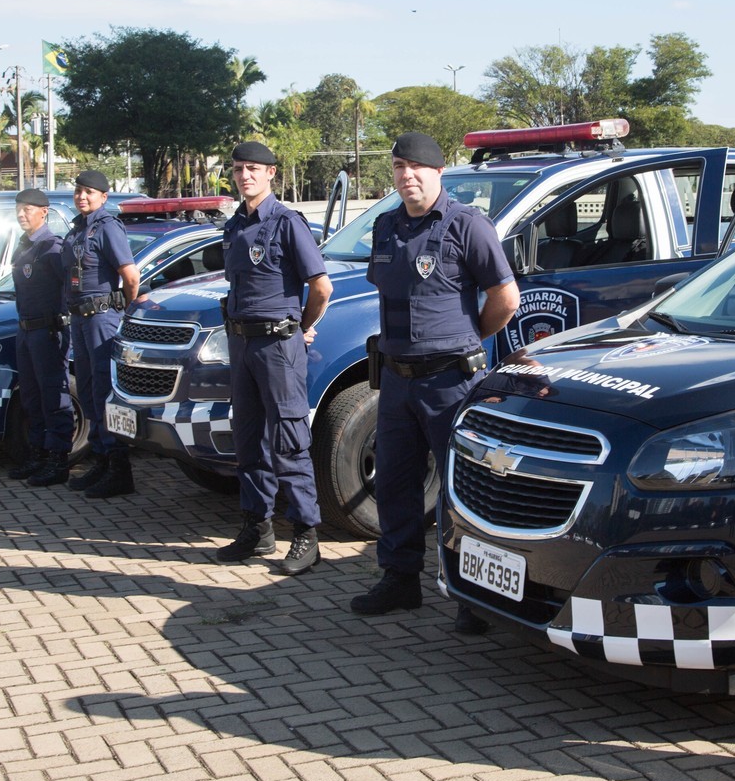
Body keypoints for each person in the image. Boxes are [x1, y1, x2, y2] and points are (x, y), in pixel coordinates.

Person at [350, 132, 519, 633]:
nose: (407, 176)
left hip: (450, 381)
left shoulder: (467, 224)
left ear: (439, 172)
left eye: (417, 167)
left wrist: (468, 339)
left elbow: (505, 298)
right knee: (394, 484)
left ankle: (472, 595)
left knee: (461, 488)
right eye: (399, 167)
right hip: (396, 381)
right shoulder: (386, 226)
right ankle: (400, 580)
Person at [214, 141, 333, 575]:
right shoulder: (234, 226)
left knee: (289, 439)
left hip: (278, 347)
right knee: (248, 440)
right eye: (238, 168)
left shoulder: (287, 222)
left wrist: (300, 326)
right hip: (242, 344)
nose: (244, 175)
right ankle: (257, 527)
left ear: (271, 173)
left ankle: (305, 534)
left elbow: (321, 287)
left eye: (253, 168)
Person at [60, 170, 139, 498]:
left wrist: (123, 308)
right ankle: (102, 459)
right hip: (80, 319)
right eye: (78, 191)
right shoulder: (78, 228)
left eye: (89, 192)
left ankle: (119, 468)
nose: (82, 196)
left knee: (105, 390)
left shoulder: (107, 227)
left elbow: (130, 276)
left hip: (101, 317)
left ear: (104, 197)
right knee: (89, 389)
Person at [6, 189, 73, 487]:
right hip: (26, 331)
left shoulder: (52, 248)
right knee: (31, 397)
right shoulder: (24, 246)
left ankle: (58, 459)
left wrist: (62, 324)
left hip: (48, 331)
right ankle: (38, 454)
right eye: (19, 209)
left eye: (28, 209)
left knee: (53, 396)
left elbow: (68, 290)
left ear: (44, 212)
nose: (22, 214)